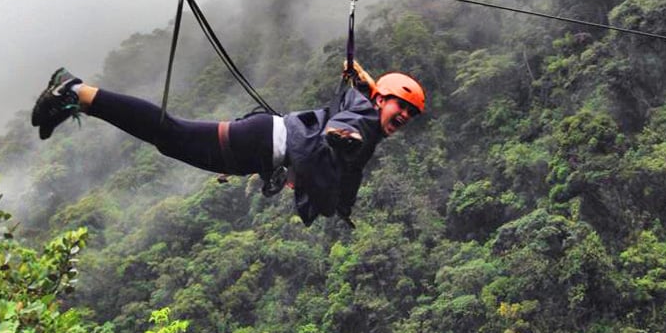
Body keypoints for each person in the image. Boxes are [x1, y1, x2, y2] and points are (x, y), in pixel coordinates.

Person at [30, 65, 425, 227]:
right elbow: (343, 131)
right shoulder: (364, 121)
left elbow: (345, 162)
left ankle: (77, 98)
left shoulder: (365, 111)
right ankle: (77, 92)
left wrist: (337, 203)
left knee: (170, 138)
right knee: (171, 133)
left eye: (411, 114)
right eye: (400, 106)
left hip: (261, 144)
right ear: (381, 100)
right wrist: (339, 148)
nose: (404, 116)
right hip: (262, 141)